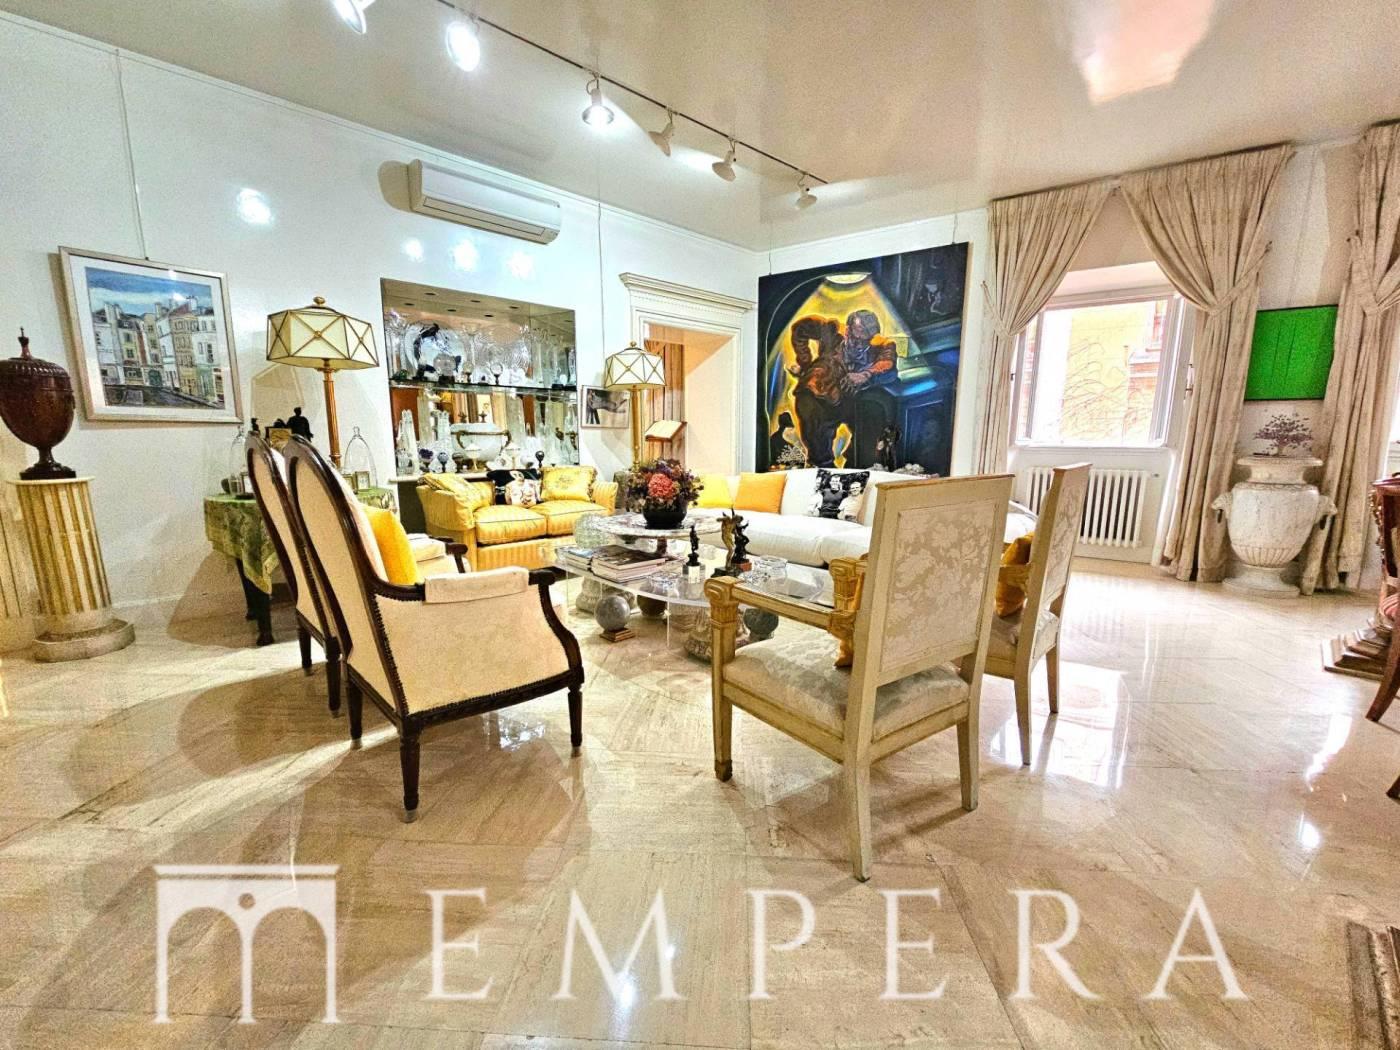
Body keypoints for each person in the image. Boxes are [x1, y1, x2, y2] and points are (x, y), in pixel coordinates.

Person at [784, 315, 846, 468]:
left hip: (830, 394)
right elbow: (800, 329)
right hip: (812, 390)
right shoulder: (830, 331)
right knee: (815, 432)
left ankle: (822, 464)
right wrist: (805, 363)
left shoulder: (873, 346)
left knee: (820, 433)